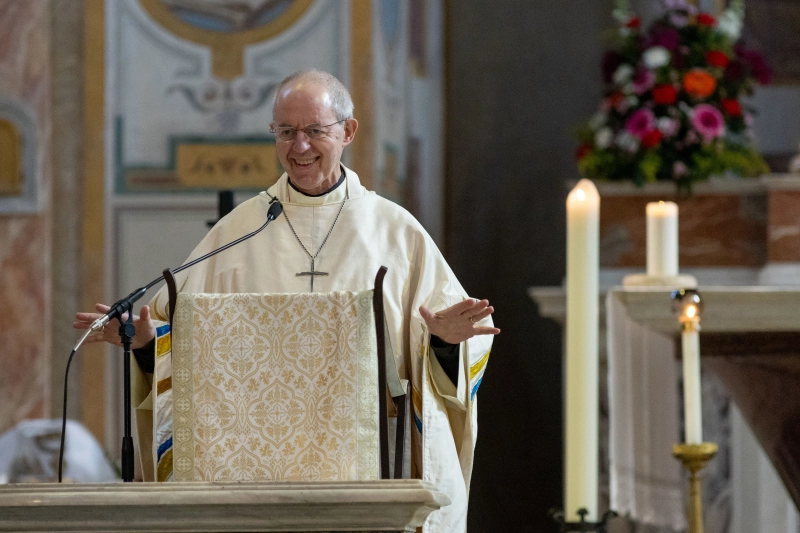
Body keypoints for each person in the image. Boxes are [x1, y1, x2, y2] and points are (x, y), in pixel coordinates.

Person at [75, 69, 498, 533]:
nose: (299, 147)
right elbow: (175, 341)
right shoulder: (239, 231)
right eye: (286, 132)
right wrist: (145, 345)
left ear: (348, 131)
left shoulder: (395, 233)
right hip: (255, 479)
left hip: (369, 473)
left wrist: (442, 344)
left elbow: (441, 352)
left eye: (315, 130)